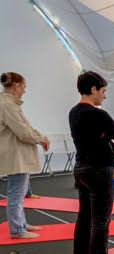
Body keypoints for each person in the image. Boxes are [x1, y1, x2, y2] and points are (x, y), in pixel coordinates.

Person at [69, 71, 114, 254]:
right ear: (93, 89)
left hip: (81, 170)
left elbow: (98, 141)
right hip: (99, 171)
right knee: (101, 220)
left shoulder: (74, 113)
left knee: (85, 215)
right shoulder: (98, 114)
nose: (104, 96)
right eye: (103, 92)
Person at [0, 72, 50, 239]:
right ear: (16, 86)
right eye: (24, 87)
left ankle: (21, 224)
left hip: (18, 154)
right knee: (16, 194)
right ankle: (17, 230)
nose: (24, 91)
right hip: (16, 155)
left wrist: (42, 138)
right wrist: (42, 139)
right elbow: (23, 133)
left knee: (19, 193)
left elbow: (26, 127)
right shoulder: (6, 105)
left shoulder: (10, 104)